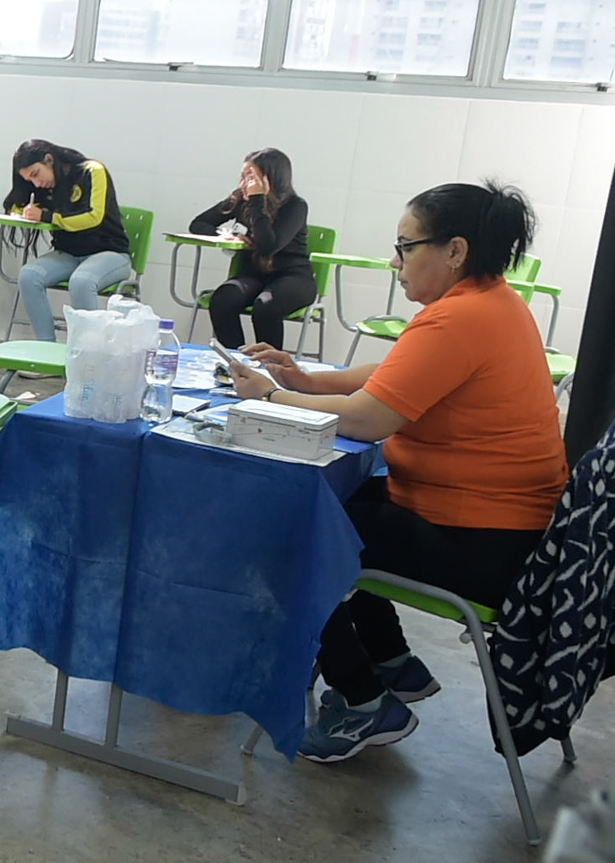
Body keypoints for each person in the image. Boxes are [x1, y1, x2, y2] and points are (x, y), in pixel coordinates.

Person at [224, 181, 568, 763]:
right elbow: (394, 374)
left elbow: (367, 420)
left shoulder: (460, 318)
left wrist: (272, 397)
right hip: (505, 530)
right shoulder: (490, 301)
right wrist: (304, 379)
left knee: (285, 532)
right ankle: (390, 661)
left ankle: (362, 700)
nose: (394, 262)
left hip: (479, 542)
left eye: (405, 247)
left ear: (454, 250)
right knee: (334, 508)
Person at [4, 139, 132, 343]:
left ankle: (87, 350)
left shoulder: (92, 171)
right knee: (29, 276)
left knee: (82, 281)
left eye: (36, 174)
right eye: (29, 180)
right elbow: (15, 206)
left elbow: (93, 217)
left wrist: (48, 216)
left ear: (49, 160)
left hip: (110, 253)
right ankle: (45, 347)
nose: (36, 183)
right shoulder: (45, 185)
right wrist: (27, 211)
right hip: (69, 254)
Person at [190, 148, 315, 350]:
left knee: (266, 305)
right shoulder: (240, 199)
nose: (244, 184)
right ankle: (235, 359)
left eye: (251, 178)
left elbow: (268, 247)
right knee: (223, 299)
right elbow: (198, 223)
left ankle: (270, 363)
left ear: (270, 179)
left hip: (293, 277)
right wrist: (224, 235)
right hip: (253, 275)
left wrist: (258, 200)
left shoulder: (295, 206)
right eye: (243, 177)